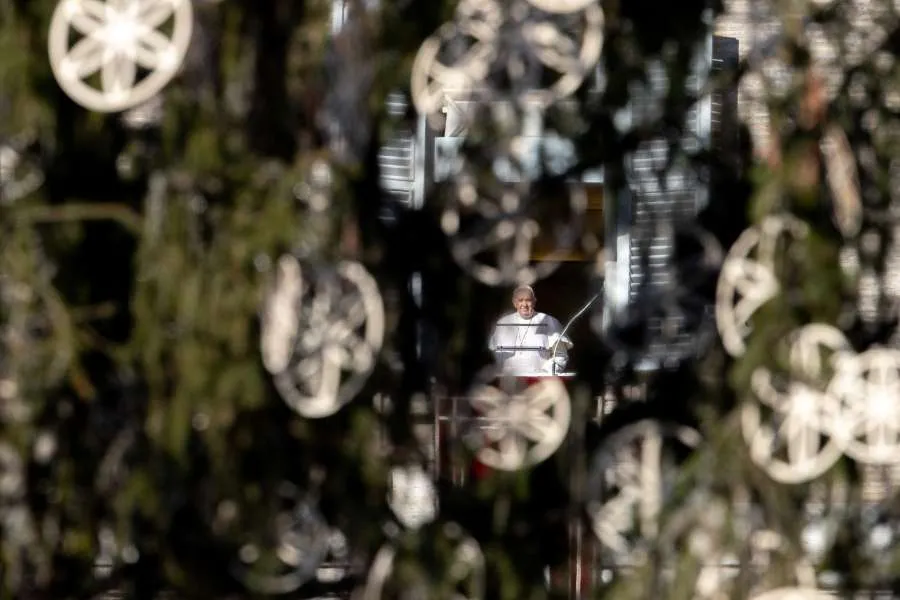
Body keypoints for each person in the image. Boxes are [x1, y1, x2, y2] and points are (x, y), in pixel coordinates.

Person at [488, 285, 572, 375]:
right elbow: (494, 355)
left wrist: (545, 373)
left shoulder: (549, 321)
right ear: (514, 303)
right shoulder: (503, 323)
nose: (524, 304)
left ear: (534, 301)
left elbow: (560, 355)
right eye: (520, 300)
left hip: (539, 381)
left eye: (528, 300)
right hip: (509, 381)